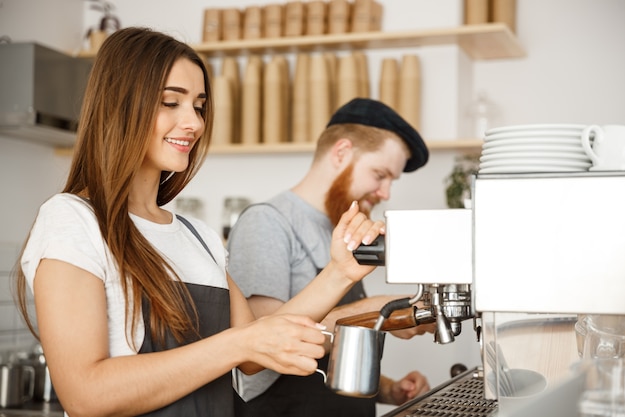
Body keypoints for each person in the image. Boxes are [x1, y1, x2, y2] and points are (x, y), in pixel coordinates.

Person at [13, 28, 386, 417]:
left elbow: (257, 349)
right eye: (171, 102)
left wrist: (340, 272)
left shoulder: (198, 236)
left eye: (199, 106)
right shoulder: (72, 220)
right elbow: (85, 394)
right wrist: (239, 345)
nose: (192, 122)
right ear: (119, 106)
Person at [227, 97, 433, 417]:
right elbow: (259, 353)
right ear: (341, 152)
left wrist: (389, 389)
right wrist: (377, 310)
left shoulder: (340, 227)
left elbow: (333, 357)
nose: (386, 193)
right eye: (380, 174)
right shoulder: (267, 223)